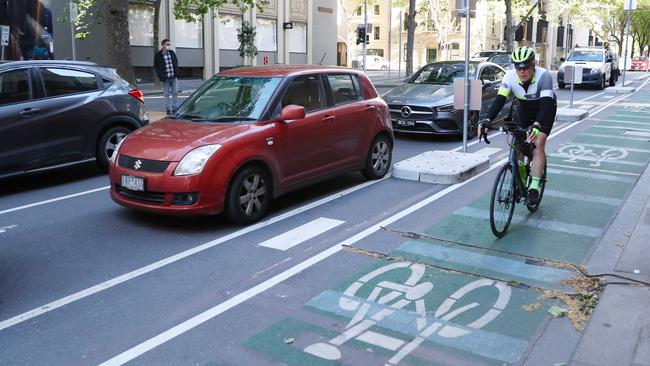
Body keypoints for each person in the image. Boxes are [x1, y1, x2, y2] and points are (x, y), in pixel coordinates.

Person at [478, 46, 557, 204]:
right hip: (524, 109)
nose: (522, 71)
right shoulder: (509, 77)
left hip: (544, 109)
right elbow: (500, 100)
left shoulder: (544, 76)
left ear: (533, 64)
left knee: (538, 143)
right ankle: (520, 177)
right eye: (518, 67)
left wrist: (536, 124)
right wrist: (487, 119)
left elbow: (547, 104)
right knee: (517, 143)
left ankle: (534, 186)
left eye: (526, 67)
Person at [154, 39, 179, 115]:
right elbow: (156, 66)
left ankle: (175, 108)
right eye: (167, 44)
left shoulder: (172, 53)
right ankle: (168, 109)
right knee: (166, 94)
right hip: (166, 78)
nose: (168, 46)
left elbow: (176, 62)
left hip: (173, 77)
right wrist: (160, 76)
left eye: (169, 44)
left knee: (175, 92)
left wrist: (176, 72)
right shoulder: (158, 55)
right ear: (163, 45)